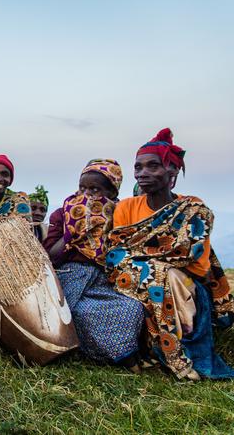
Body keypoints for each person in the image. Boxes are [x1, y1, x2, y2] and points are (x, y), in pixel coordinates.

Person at [107, 128, 234, 380]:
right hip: (135, 283)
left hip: (186, 288)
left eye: (153, 166)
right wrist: (158, 263)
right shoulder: (126, 207)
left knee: (168, 275)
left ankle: (177, 349)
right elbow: (117, 256)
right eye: (138, 167)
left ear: (172, 171)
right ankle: (167, 351)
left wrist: (151, 264)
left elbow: (197, 265)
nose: (143, 173)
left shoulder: (192, 208)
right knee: (159, 273)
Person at [43, 159, 144, 367]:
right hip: (69, 276)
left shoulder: (119, 215)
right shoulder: (63, 213)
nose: (86, 194)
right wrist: (71, 233)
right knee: (80, 312)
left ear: (112, 193)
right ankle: (99, 353)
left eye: (95, 189)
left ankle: (122, 353)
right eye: (82, 188)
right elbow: (50, 255)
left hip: (102, 280)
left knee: (132, 308)